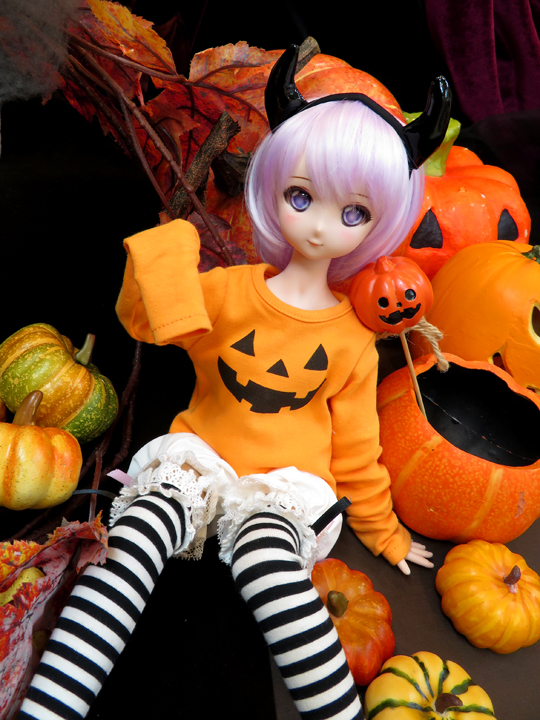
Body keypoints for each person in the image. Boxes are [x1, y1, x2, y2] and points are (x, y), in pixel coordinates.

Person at [19, 46, 451, 720]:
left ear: (381, 222)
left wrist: (383, 529)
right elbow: (148, 323)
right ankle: (49, 708)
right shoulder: (228, 291)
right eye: (302, 197)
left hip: (284, 484)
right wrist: (161, 256)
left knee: (271, 567)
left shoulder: (351, 338)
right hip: (198, 459)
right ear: (274, 186)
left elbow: (356, 446)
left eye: (353, 213)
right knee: (132, 542)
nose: (319, 225)